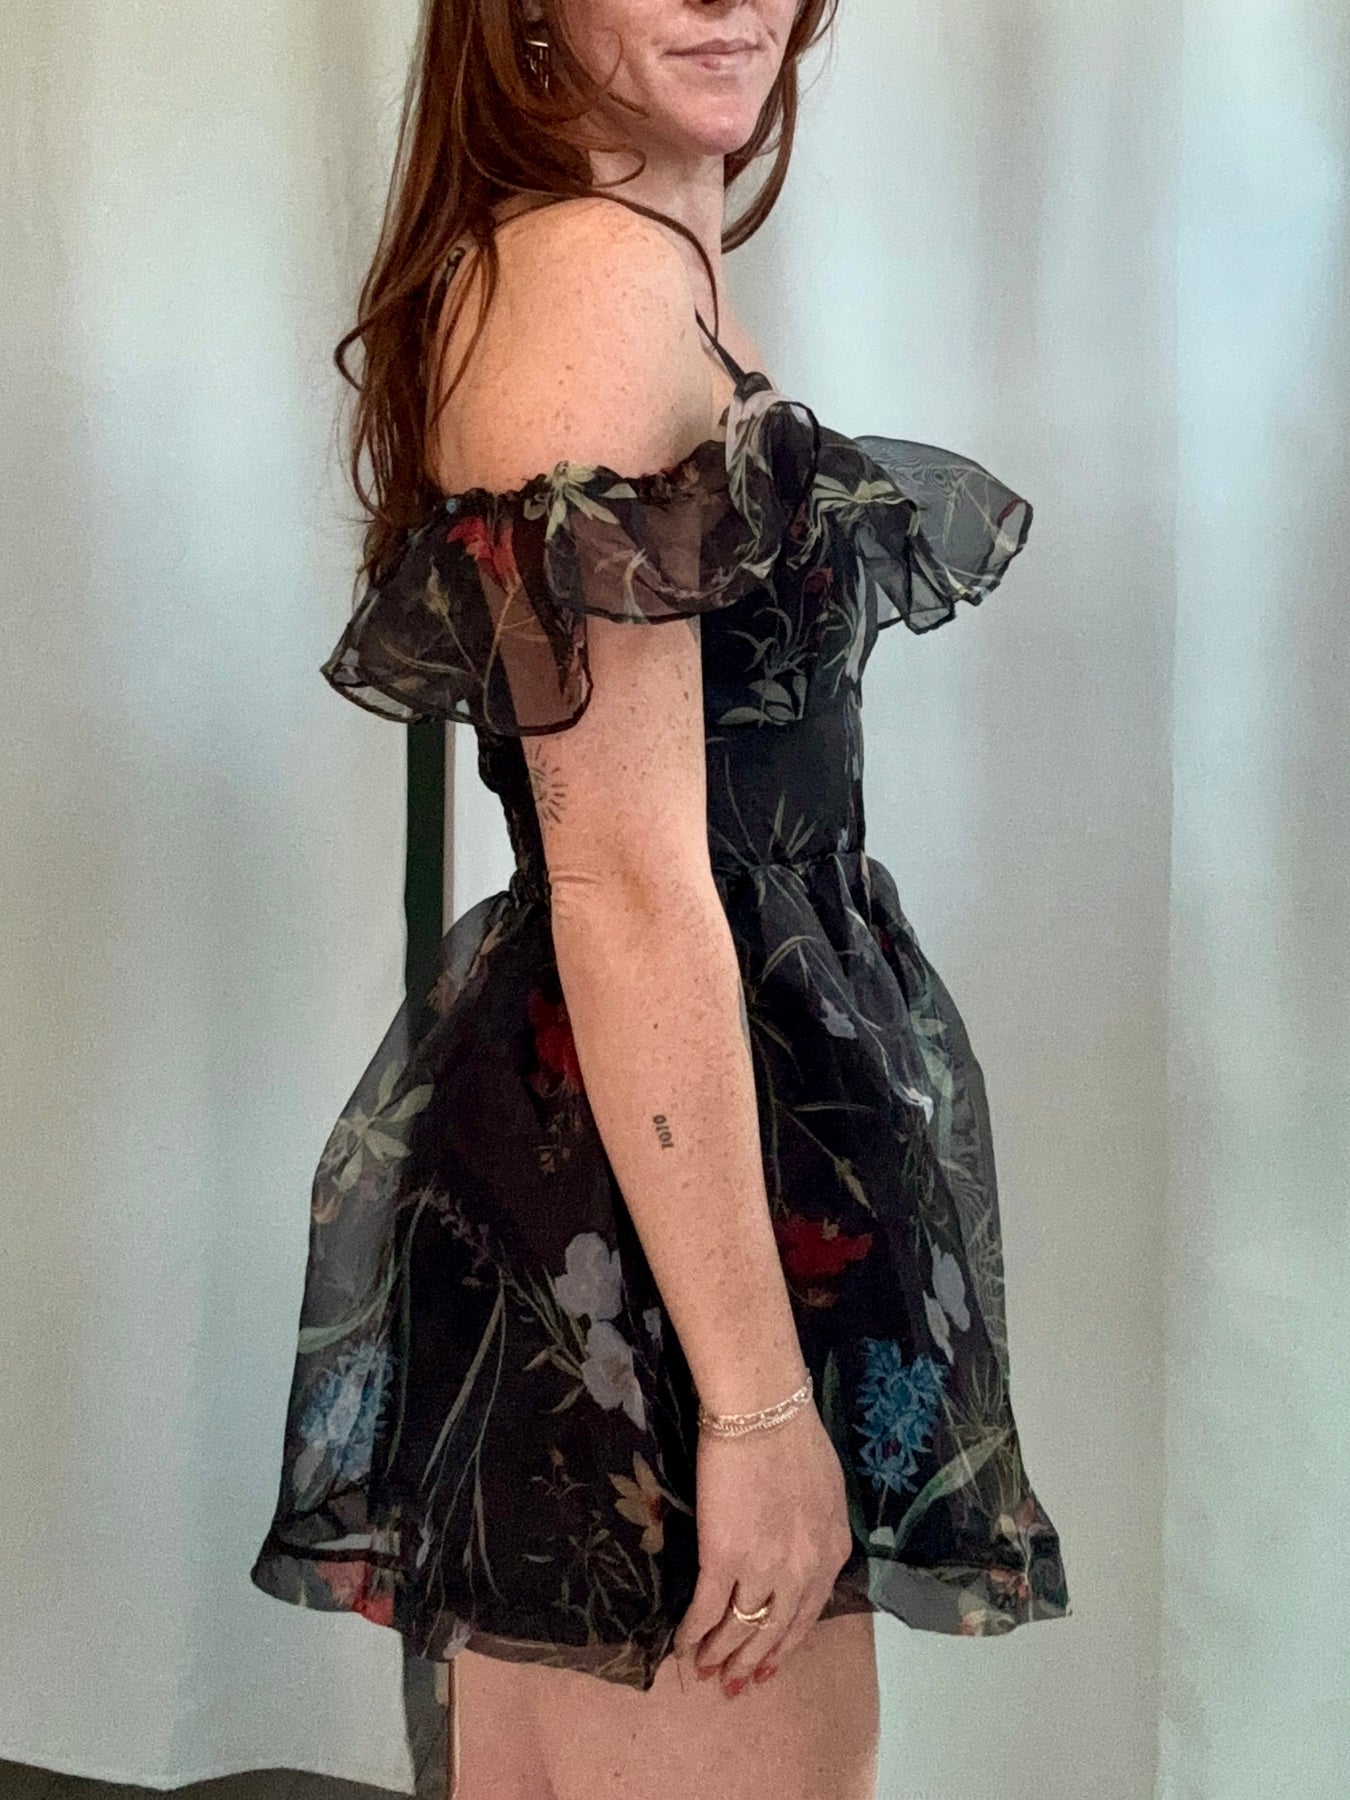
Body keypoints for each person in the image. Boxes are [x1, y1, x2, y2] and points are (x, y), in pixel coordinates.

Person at [249, 3, 1071, 1797]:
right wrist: (755, 1408)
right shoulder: (587, 287)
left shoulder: (627, 264)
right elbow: (622, 878)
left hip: (693, 1149)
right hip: (654, 1205)